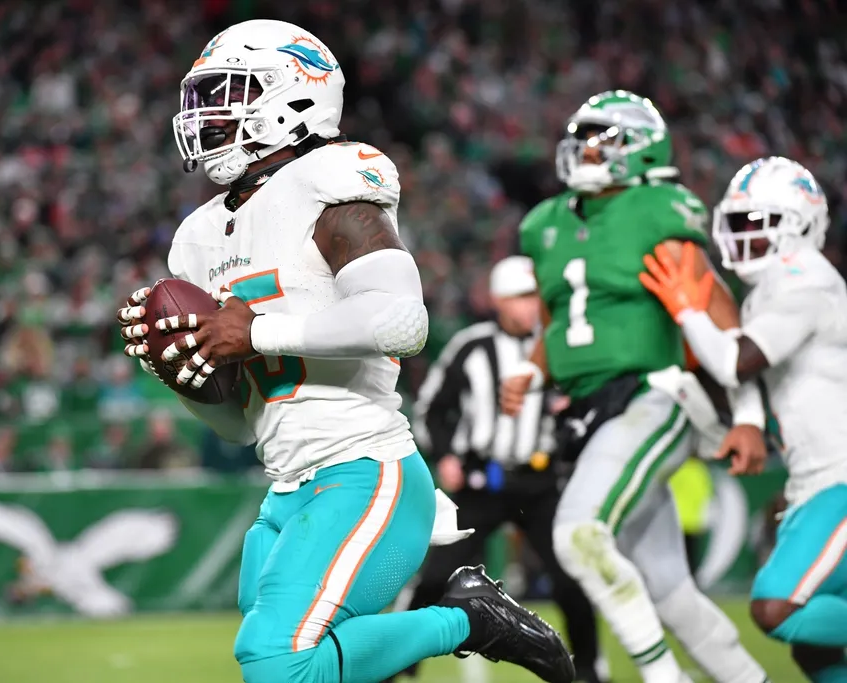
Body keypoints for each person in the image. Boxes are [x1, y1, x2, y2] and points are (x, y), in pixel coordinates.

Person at [115, 20, 574, 683]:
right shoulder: (198, 237)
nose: (207, 114)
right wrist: (185, 375)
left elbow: (400, 318)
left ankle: (473, 618)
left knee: (277, 661)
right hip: (287, 483)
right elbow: (242, 425)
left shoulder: (330, 182)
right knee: (313, 662)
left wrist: (257, 334)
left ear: (293, 97)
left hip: (364, 468)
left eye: (228, 92)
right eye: (203, 98)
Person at [502, 90, 768, 683]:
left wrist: (748, 413)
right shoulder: (544, 223)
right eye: (583, 136)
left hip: (653, 395)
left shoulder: (658, 208)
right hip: (588, 413)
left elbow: (720, 311)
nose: (586, 148)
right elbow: (560, 323)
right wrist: (531, 371)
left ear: (644, 149)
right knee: (670, 591)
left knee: (578, 535)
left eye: (604, 137)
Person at [640, 156, 847, 683]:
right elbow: (747, 370)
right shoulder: (770, 291)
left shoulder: (808, 278)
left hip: (839, 478)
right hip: (814, 481)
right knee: (819, 653)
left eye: (756, 223)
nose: (741, 236)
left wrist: (687, 309)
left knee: (779, 608)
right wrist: (750, 420)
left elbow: (737, 361)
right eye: (736, 222)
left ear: (799, 225)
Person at [386, 256, 609, 683]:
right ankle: (397, 664)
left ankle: (589, 670)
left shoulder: (557, 348)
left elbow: (584, 408)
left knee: (571, 578)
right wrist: (447, 455)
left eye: (534, 297)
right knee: (433, 578)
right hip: (479, 480)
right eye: (521, 297)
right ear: (499, 301)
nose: (530, 307)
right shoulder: (471, 346)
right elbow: (434, 407)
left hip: (540, 482)